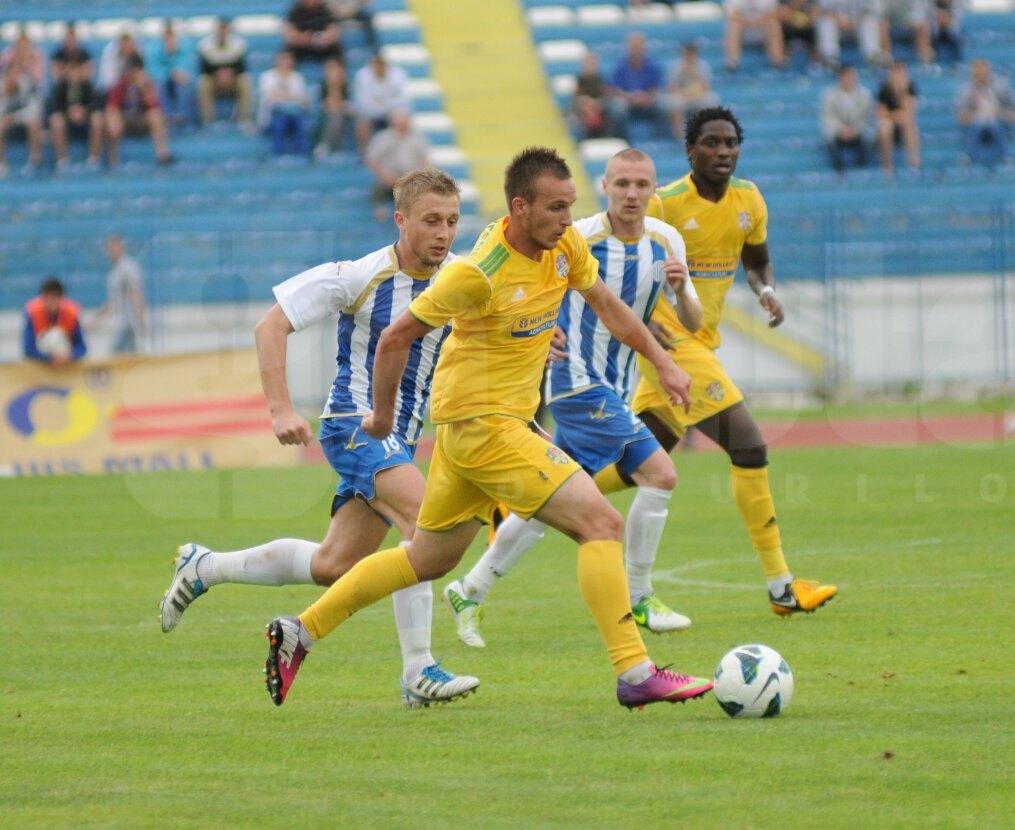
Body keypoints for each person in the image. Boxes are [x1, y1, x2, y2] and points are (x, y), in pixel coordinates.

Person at [261, 147, 712, 710]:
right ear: (520, 208)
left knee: (427, 559)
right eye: (555, 208)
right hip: (485, 428)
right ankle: (635, 670)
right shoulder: (478, 272)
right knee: (600, 522)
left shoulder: (565, 245)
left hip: (471, 431)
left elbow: (606, 304)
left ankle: (300, 630)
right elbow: (394, 338)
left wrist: (663, 361)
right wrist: (379, 417)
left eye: (571, 206)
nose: (569, 219)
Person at [160, 169, 479, 708]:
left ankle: (205, 566)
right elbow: (271, 325)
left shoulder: (459, 280)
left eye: (451, 221)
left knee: (333, 565)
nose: (443, 233)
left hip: (398, 436)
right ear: (400, 220)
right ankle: (419, 671)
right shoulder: (358, 276)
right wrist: (280, 407)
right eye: (431, 221)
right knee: (424, 525)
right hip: (354, 424)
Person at [442, 148, 705, 647]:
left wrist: (683, 300)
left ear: (654, 189)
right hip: (576, 381)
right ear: (605, 186)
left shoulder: (666, 241)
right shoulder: (578, 234)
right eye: (622, 183)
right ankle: (642, 595)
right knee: (660, 473)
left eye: (642, 184)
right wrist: (543, 333)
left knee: (549, 498)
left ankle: (469, 588)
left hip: (619, 383)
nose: (632, 193)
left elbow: (690, 322)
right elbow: (533, 282)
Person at [619, 106, 838, 617]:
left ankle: (526, 499)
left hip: (701, 339)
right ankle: (782, 585)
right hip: (671, 345)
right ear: (690, 150)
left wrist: (766, 291)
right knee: (750, 446)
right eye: (712, 144)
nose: (723, 152)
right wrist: (640, 322)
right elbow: (627, 262)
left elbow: (757, 258)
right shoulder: (666, 203)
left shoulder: (749, 198)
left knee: (638, 463)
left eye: (730, 144)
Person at [104, 54, 176, 167]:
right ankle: (113, 160)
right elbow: (112, 106)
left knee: (156, 116)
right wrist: (114, 119)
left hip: (141, 118)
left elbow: (154, 105)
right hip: (125, 119)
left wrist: (144, 89)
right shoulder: (121, 84)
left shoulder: (148, 84)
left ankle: (162, 154)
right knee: (113, 119)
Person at [365, 109, 430, 217]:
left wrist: (416, 177)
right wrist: (385, 175)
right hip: (388, 178)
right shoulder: (383, 138)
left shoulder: (418, 139)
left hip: (411, 178)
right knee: (378, 189)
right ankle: (379, 211)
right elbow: (372, 160)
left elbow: (425, 162)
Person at [957, 58, 1015, 168]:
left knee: (994, 124)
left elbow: (1013, 110)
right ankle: (969, 156)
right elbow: (961, 117)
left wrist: (1000, 113)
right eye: (976, 69)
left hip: (998, 119)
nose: (980, 73)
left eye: (982, 69)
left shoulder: (1001, 86)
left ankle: (1004, 156)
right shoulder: (966, 90)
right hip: (975, 121)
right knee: (978, 124)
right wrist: (976, 114)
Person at [94, 234, 148, 355]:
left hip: (129, 323)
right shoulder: (115, 271)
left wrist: (141, 319)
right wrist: (95, 320)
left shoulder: (127, 267)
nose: (111, 250)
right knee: (130, 357)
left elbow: (136, 293)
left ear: (122, 246)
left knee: (115, 355)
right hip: (121, 322)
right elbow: (113, 301)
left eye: (115, 246)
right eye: (109, 247)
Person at [196, 17, 253, 127]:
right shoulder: (205, 45)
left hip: (233, 80)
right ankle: (207, 120)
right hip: (214, 80)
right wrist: (218, 73)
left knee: (245, 81)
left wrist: (229, 73)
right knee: (203, 83)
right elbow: (203, 68)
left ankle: (244, 118)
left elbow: (242, 67)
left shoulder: (239, 44)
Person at [48, 58, 104, 170]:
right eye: (71, 71)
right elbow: (54, 105)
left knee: (97, 119)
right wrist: (69, 111)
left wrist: (84, 110)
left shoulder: (87, 86)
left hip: (85, 117)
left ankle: (94, 159)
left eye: (76, 71)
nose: (73, 74)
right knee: (56, 120)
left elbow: (96, 103)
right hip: (66, 117)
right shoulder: (60, 87)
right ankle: (61, 160)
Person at [610, 32, 668, 137]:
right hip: (627, 101)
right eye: (633, 47)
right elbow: (616, 89)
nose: (636, 50)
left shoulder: (652, 65)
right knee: (618, 108)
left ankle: (660, 140)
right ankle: (623, 139)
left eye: (638, 46)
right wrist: (630, 97)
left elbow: (657, 87)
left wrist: (647, 97)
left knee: (664, 104)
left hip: (648, 101)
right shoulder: (620, 66)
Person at [351, 51, 409, 151]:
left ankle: (401, 151)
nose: (378, 68)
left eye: (381, 65)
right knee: (362, 122)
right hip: (370, 112)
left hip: (391, 111)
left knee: (401, 118)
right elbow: (362, 102)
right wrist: (380, 107)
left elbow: (403, 99)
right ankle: (366, 154)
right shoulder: (362, 76)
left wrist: (386, 107)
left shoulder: (398, 76)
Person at [257, 50, 311, 156]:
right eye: (282, 60)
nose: (285, 63)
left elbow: (304, 100)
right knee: (279, 123)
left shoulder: (297, 77)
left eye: (288, 60)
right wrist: (292, 97)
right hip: (274, 114)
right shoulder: (267, 76)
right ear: (276, 61)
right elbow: (271, 97)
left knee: (301, 124)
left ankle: (302, 157)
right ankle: (277, 156)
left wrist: (285, 97)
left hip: (295, 114)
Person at [821, 64, 873, 174]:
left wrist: (855, 129)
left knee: (868, 135)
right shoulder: (830, 94)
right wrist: (841, 129)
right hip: (838, 130)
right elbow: (828, 116)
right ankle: (838, 166)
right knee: (828, 136)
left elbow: (866, 116)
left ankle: (862, 165)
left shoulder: (864, 94)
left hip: (857, 129)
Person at [23, 277, 87, 365]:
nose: (51, 301)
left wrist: (70, 356)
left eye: (55, 297)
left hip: (66, 365)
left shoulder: (71, 313)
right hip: (41, 366)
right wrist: (49, 357)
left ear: (61, 298)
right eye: (48, 297)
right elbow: (28, 348)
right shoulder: (33, 313)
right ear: (42, 298)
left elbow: (82, 347)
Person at [0, 52, 45, 175]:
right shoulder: (2, 86)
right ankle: (1, 163)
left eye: (17, 72)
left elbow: (34, 108)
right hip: (6, 118)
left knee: (33, 122)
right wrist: (6, 118)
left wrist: (14, 117)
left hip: (24, 116)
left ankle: (35, 159)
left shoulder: (28, 84)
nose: (14, 76)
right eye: (11, 73)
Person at [665, 42, 720, 141]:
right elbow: (672, 88)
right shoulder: (675, 67)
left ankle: (703, 134)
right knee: (674, 103)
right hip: (682, 95)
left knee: (711, 99)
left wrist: (694, 74)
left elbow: (706, 87)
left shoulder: (703, 66)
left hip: (698, 95)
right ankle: (680, 136)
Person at [877, 60, 920, 177]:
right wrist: (895, 116)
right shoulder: (884, 88)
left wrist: (902, 91)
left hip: (902, 120)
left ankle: (914, 163)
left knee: (909, 124)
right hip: (890, 120)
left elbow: (909, 111)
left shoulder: (910, 87)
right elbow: (881, 112)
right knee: (885, 127)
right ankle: (887, 166)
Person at [146, 21, 194, 125]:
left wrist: (178, 74)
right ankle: (166, 117)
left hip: (178, 82)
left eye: (171, 36)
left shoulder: (183, 50)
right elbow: (152, 71)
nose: (169, 39)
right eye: (167, 36)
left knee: (182, 84)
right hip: (163, 82)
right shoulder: (155, 51)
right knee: (158, 85)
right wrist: (170, 73)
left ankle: (182, 117)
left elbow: (187, 69)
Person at [815, 0, 886, 69]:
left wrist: (855, 21)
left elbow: (871, 11)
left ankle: (872, 57)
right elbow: (822, 10)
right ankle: (829, 57)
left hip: (858, 25)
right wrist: (838, 19)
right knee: (825, 22)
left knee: (869, 21)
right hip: (836, 25)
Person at [570, 50, 622, 140]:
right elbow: (576, 99)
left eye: (592, 63)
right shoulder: (579, 81)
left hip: (602, 113)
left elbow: (608, 97)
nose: (589, 66)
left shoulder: (602, 80)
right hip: (585, 114)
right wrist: (585, 103)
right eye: (587, 63)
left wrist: (596, 104)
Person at [723, 0, 788, 72]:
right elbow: (731, 15)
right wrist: (748, 21)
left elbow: (774, 13)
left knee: (773, 24)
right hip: (744, 30)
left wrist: (757, 20)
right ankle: (732, 62)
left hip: (762, 28)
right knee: (733, 26)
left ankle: (777, 61)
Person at [314, 56, 350, 157]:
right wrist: (332, 85)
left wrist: (337, 84)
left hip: (345, 111)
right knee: (335, 114)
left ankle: (327, 145)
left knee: (340, 113)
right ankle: (332, 146)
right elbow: (324, 103)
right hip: (327, 112)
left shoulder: (346, 83)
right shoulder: (322, 84)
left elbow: (347, 102)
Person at [778, 0, 817, 65]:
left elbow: (814, 15)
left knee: (814, 30)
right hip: (789, 27)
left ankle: (815, 61)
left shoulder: (810, 4)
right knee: (781, 28)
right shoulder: (784, 3)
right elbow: (782, 14)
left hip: (806, 28)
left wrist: (805, 22)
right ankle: (782, 59)